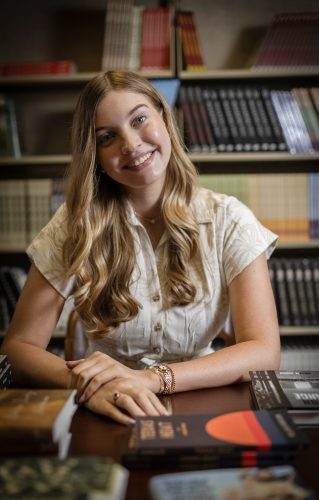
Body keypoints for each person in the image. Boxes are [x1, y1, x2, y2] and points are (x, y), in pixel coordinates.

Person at [1, 71, 280, 425]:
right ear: (96, 154)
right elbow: (18, 348)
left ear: (164, 117)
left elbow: (264, 353)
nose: (131, 144)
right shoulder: (76, 225)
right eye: (107, 137)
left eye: (139, 119)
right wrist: (88, 384)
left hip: (206, 404)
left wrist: (150, 379)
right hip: (108, 408)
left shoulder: (230, 220)